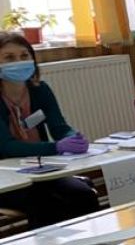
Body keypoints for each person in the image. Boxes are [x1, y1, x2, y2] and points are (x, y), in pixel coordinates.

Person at [0, 32, 99, 228]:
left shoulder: (40, 89)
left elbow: (59, 127)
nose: (19, 62)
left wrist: (73, 137)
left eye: (24, 56)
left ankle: (94, 243)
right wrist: (56, 147)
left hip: (40, 169)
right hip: (6, 177)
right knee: (46, 203)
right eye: (9, 58)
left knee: (83, 194)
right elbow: (7, 147)